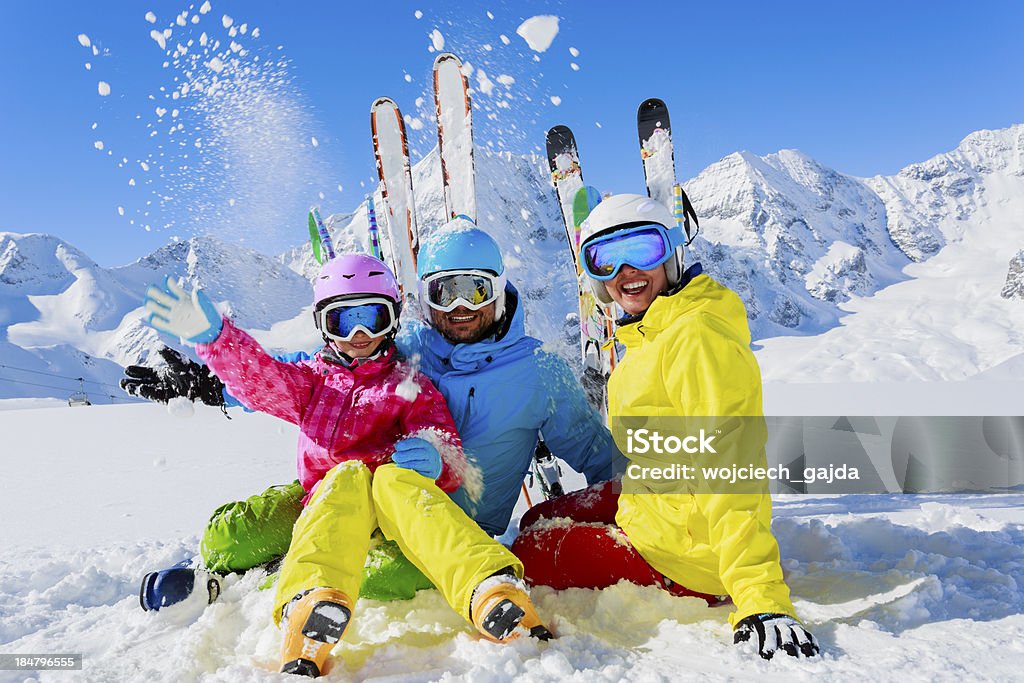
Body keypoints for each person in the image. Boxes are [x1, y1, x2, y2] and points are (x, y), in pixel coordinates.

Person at [129, 220, 617, 610]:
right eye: (445, 292)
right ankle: (260, 559)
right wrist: (208, 378)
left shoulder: (540, 372)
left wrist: (644, 512)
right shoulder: (401, 349)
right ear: (421, 299)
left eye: (476, 290)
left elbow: (598, 457)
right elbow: (292, 381)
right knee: (238, 532)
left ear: (499, 289)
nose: (461, 307)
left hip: (446, 528)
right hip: (343, 502)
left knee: (385, 574)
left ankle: (269, 583)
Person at [142, 253, 550, 677]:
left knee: (389, 494)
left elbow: (445, 445)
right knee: (246, 528)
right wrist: (217, 339)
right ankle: (306, 587)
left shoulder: (408, 385)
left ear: (391, 319)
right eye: (343, 320)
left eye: (372, 317)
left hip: (393, 513)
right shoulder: (311, 381)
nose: (359, 334)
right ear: (323, 325)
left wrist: (435, 456)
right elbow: (263, 382)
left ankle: (489, 589)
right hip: (322, 503)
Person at [511, 193, 820, 661]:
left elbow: (732, 467)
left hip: (687, 553)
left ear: (672, 253)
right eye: (605, 260)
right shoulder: (655, 326)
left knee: (532, 549)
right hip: (658, 498)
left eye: (641, 250)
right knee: (535, 518)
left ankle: (696, 577)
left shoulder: (696, 339)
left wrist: (760, 597)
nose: (625, 273)